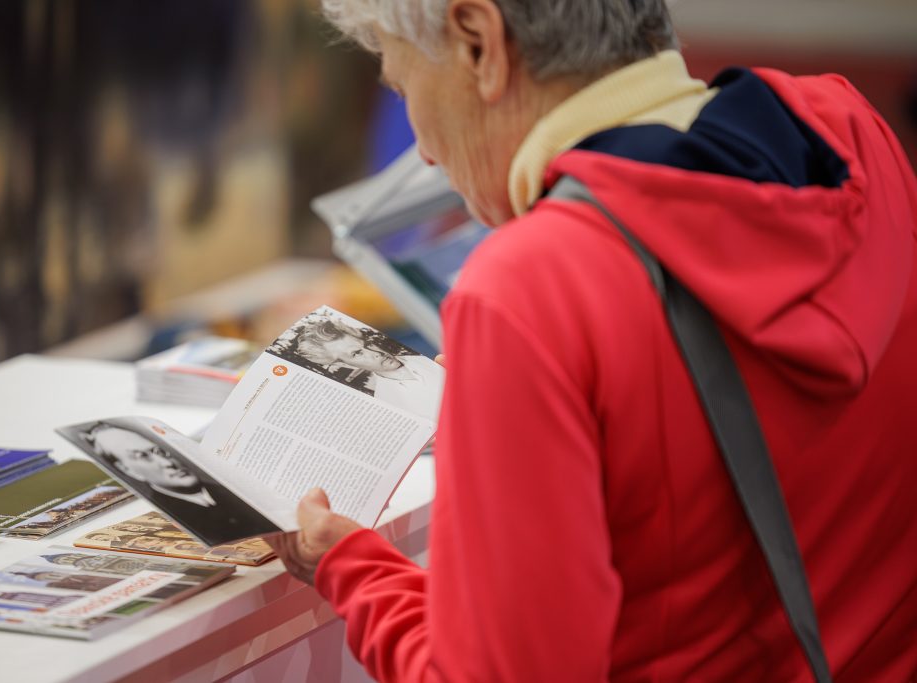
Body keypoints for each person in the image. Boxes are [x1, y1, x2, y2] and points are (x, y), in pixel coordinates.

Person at [269, 1, 917, 681]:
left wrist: (354, 568)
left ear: (478, 43)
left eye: (404, 89)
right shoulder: (845, 128)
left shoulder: (532, 289)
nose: (425, 152)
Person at [79, 421, 279, 545]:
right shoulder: (168, 521)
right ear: (127, 470)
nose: (166, 463)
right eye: (142, 456)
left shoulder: (234, 489)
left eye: (159, 451)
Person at [295, 316, 443, 421]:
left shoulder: (428, 353)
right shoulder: (389, 404)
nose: (376, 352)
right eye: (357, 353)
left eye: (368, 344)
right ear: (344, 365)